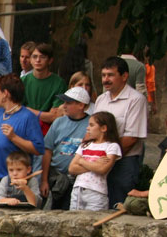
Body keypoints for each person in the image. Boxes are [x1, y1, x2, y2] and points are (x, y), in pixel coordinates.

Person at [0, 74, 44, 198]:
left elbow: (38, 149)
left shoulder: (28, 117)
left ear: (6, 94)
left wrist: (14, 138)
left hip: (10, 184)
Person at [90, 56, 148, 208]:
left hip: (125, 161)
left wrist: (107, 156)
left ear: (124, 76)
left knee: (119, 204)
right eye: (103, 75)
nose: (106, 79)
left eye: (110, 75)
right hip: (100, 161)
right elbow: (92, 130)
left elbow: (132, 137)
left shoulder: (136, 99)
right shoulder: (101, 99)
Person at [40, 85, 91, 210]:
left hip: (78, 179)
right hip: (56, 177)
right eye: (64, 102)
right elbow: (47, 151)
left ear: (81, 105)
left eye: (69, 102)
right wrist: (44, 180)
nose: (64, 106)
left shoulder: (91, 123)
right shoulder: (58, 122)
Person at [68, 111, 121, 211]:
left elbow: (102, 169)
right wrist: (95, 164)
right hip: (78, 189)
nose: (88, 128)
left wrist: (82, 161)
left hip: (96, 192)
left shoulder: (112, 146)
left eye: (92, 125)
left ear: (103, 128)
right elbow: (72, 168)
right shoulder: (85, 145)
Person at [22, 43, 67, 133]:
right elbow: (16, 109)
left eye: (42, 57)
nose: (38, 60)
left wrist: (27, 109)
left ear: (50, 60)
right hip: (24, 127)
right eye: (34, 57)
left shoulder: (59, 83)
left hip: (49, 131)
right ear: (30, 60)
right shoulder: (23, 81)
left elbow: (54, 116)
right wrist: (44, 115)